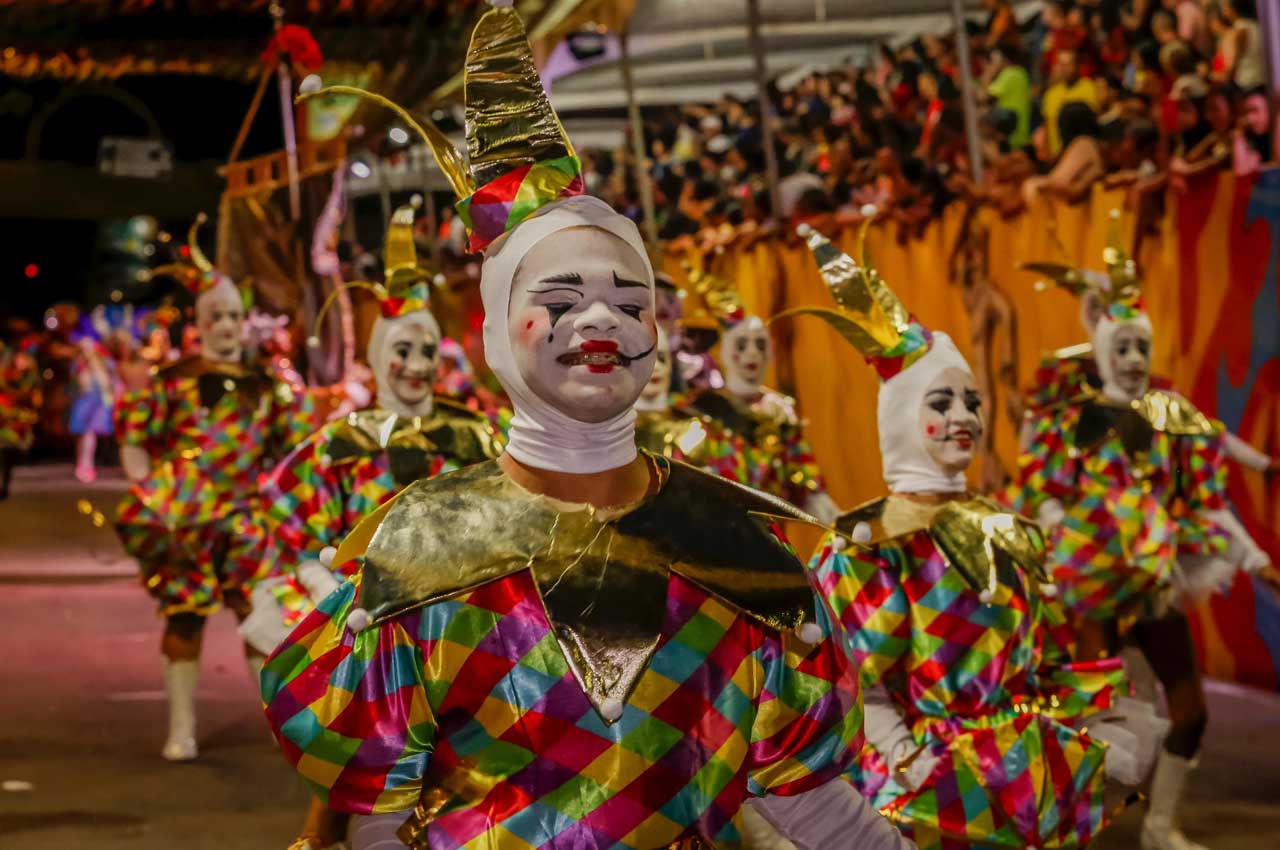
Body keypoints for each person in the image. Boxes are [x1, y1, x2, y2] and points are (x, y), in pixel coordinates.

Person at [273, 6, 910, 849]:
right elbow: (376, 820)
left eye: (631, 301)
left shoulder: (749, 552)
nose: (602, 323)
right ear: (498, 334)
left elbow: (814, 806)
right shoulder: (419, 550)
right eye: (562, 302)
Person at [790, 222, 1163, 850]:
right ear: (904, 418)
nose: (962, 417)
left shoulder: (1006, 526)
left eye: (971, 401)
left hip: (1023, 769)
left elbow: (1041, 654)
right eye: (940, 403)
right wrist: (909, 761)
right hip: (928, 788)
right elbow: (857, 681)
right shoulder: (869, 542)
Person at [241, 203, 504, 850]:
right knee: (367, 760)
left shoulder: (474, 433)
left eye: (424, 350)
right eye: (401, 350)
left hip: (459, 615)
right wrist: (318, 580)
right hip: (368, 618)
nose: (415, 365)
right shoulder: (340, 440)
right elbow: (291, 516)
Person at [1014, 214, 1280, 850]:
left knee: (1190, 711)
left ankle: (1160, 827)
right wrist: (1071, 544)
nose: (1133, 360)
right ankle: (1063, 823)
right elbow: (1042, 493)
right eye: (1122, 348)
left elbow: (1202, 503)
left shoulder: (1169, 422)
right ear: (1104, 351)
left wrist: (1256, 559)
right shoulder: (1074, 422)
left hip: (1154, 584)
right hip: (1092, 587)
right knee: (1089, 714)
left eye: (1141, 348)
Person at [113, 216, 318, 762]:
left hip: (248, 518)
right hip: (187, 519)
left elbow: (296, 450)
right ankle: (182, 727)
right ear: (200, 323)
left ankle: (279, 728)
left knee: (261, 618)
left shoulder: (267, 386)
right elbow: (137, 434)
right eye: (216, 316)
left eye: (233, 315)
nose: (226, 325)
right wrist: (148, 490)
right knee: (183, 617)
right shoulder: (174, 381)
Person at [680, 264, 841, 522]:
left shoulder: (780, 413)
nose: (752, 354)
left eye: (760, 344)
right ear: (723, 352)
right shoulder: (702, 411)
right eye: (741, 346)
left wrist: (836, 524)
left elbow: (807, 480)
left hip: (771, 542)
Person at [0, 333, 41, 500]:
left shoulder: (30, 378)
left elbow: (36, 400)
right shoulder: (5, 373)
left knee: (9, 454)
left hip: (17, 422)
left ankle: (5, 485)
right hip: (5, 418)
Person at [1042, 50, 1101, 157]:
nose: (1063, 68)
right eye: (1060, 64)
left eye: (1068, 64)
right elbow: (1047, 124)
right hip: (1056, 156)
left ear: (1077, 66)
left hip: (1081, 154)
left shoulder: (1089, 87)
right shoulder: (1051, 93)